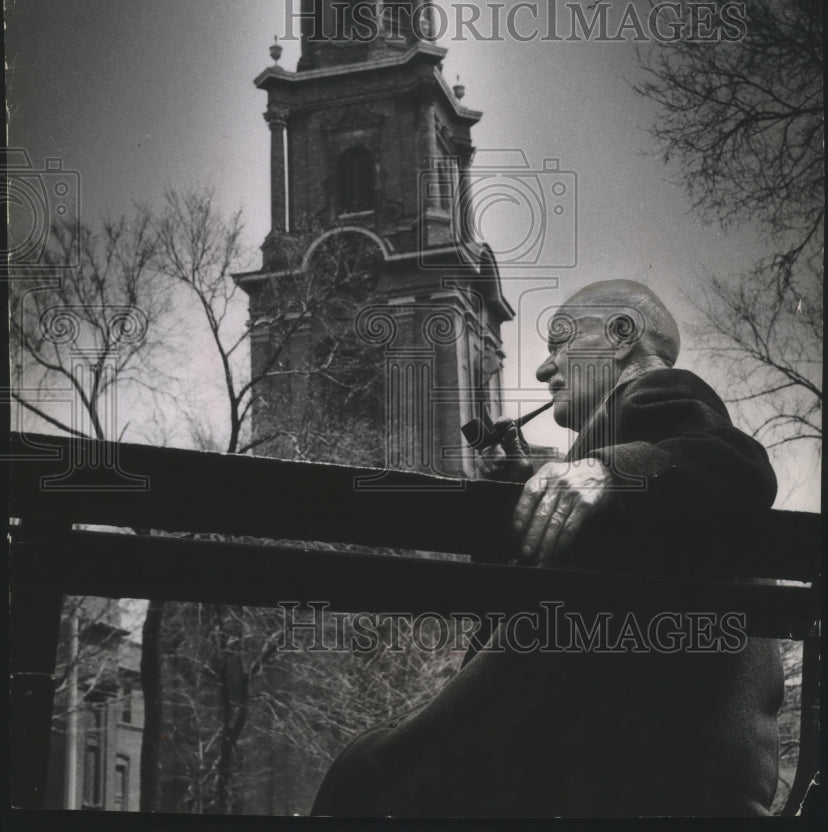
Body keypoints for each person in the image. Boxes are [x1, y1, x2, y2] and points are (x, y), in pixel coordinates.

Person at [312, 280, 783, 818]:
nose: (543, 369)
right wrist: (529, 487)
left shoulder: (658, 391)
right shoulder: (629, 440)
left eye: (559, 343)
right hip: (652, 766)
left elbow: (739, 462)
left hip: (630, 774)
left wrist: (608, 472)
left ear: (621, 335)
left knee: (364, 777)